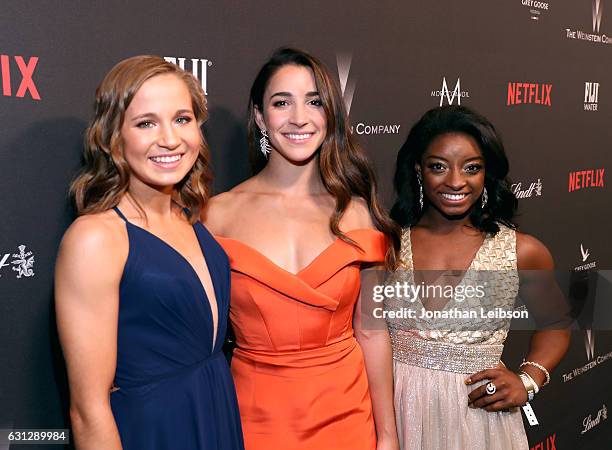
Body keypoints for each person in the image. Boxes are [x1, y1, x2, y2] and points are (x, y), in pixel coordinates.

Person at [205, 48, 400, 450]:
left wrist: (387, 435)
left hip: (347, 416)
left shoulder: (359, 214)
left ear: (331, 114)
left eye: (314, 102)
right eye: (281, 103)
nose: (299, 118)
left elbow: (373, 333)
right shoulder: (216, 217)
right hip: (253, 419)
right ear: (260, 117)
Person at [55, 55, 244, 450]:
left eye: (182, 119)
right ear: (112, 137)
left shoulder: (193, 217)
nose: (170, 139)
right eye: (146, 123)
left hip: (214, 411)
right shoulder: (96, 238)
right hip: (152, 431)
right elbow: (88, 411)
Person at [385, 105, 571, 450]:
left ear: (487, 175)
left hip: (478, 419)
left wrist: (528, 380)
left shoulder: (520, 251)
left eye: (472, 168)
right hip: (396, 413)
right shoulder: (387, 242)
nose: (456, 181)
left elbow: (556, 323)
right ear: (418, 170)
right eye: (438, 166)